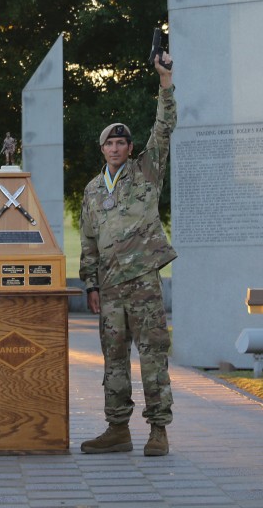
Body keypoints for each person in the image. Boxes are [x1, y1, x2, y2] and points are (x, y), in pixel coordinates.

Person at [78, 50, 176, 457]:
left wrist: (165, 81)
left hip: (144, 282)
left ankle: (158, 431)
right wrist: (91, 283)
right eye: (110, 143)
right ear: (102, 149)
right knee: (113, 361)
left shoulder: (146, 171)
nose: (116, 148)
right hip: (111, 289)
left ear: (130, 147)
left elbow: (165, 127)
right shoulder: (92, 190)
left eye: (122, 142)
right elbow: (88, 241)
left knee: (153, 356)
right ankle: (117, 429)